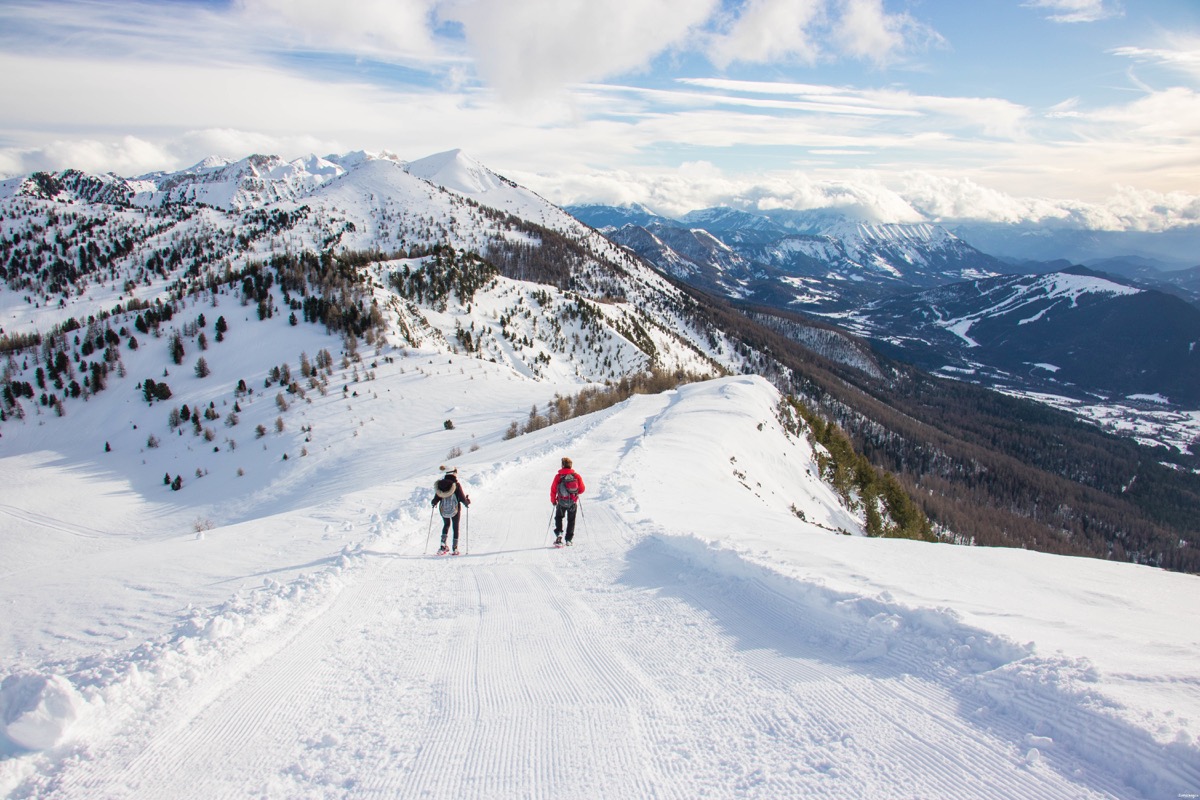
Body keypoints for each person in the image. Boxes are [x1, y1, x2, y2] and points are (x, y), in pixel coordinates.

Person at [431, 468, 470, 554]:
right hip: (455, 509)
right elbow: (462, 498)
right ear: (454, 473)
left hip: (443, 509)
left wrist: (434, 502)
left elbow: (437, 497)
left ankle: (442, 546)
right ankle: (455, 548)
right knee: (455, 527)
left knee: (446, 524)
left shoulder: (440, 485)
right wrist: (467, 502)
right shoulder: (456, 485)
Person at [550, 457, 585, 546]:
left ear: (562, 465)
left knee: (558, 517)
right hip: (572, 502)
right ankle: (568, 540)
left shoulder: (558, 477)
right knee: (571, 520)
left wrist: (553, 500)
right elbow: (582, 489)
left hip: (561, 502)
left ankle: (559, 534)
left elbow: (553, 490)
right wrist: (574, 494)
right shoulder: (576, 476)